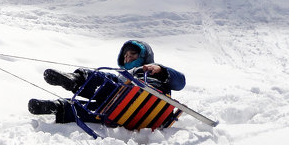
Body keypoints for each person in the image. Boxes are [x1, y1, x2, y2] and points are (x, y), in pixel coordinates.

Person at [27, 39, 185, 127]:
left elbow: (180, 82)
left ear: (145, 56)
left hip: (148, 103)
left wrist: (161, 70)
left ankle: (77, 82)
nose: (128, 58)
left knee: (107, 87)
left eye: (133, 54)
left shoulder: (156, 71)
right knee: (95, 107)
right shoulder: (121, 77)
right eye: (125, 56)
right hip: (121, 111)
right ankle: (57, 106)